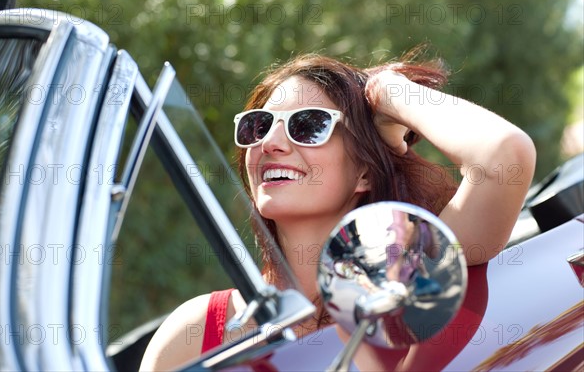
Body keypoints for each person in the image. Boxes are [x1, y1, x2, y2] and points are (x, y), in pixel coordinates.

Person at [139, 49, 536, 371]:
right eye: (258, 126)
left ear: (364, 171)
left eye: (308, 125)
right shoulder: (193, 333)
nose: (271, 143)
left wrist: (388, 92)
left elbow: (506, 156)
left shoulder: (407, 285)